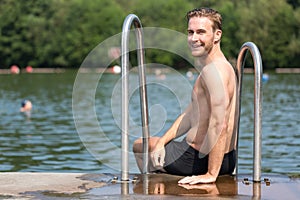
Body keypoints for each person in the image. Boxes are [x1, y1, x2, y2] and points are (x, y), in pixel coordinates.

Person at [133, 7, 237, 184]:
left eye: (201, 32)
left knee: (139, 146)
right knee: (155, 144)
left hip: (197, 160)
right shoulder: (217, 67)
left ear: (217, 35)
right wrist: (162, 141)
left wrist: (211, 174)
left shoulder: (215, 71)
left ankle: (156, 186)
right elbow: (189, 116)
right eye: (190, 32)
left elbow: (220, 123)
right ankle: (161, 179)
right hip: (225, 159)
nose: (194, 38)